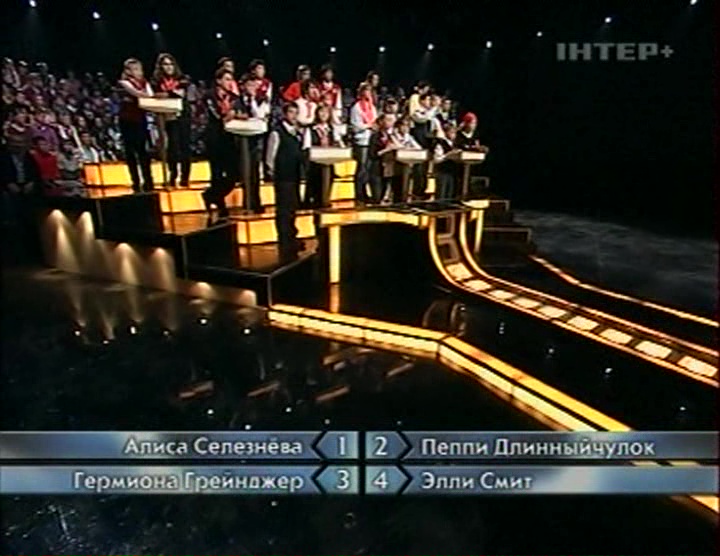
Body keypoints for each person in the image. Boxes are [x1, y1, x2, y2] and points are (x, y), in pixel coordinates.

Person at [265, 102, 304, 256]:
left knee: (293, 206)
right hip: (282, 176)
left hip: (294, 175)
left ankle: (292, 235)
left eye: (296, 113)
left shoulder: (297, 132)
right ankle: (284, 238)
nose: (294, 116)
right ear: (285, 114)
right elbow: (270, 155)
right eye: (291, 112)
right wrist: (272, 172)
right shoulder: (277, 132)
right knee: (283, 209)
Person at [203, 68, 241, 219]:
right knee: (217, 173)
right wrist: (228, 115)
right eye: (226, 79)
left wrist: (236, 114)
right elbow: (216, 115)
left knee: (234, 174)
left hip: (229, 138)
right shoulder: (209, 95)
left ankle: (210, 195)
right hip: (214, 138)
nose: (229, 82)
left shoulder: (234, 97)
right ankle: (220, 204)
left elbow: (242, 112)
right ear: (218, 80)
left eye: (231, 79)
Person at [153, 53, 192, 187]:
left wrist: (166, 94)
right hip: (169, 116)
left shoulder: (182, 79)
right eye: (165, 64)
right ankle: (173, 174)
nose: (169, 67)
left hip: (183, 114)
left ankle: (185, 177)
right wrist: (167, 94)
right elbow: (155, 95)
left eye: (171, 64)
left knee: (185, 145)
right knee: (173, 146)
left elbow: (180, 93)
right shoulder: (157, 81)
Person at [117, 58, 154, 192]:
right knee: (130, 152)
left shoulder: (144, 82)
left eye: (140, 69)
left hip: (140, 120)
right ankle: (135, 181)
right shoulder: (123, 82)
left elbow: (150, 95)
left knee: (143, 151)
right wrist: (143, 94)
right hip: (127, 120)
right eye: (136, 69)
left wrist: (145, 94)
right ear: (128, 71)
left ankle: (148, 181)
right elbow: (136, 93)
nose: (139, 72)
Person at [302, 104, 344, 209]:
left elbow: (339, 143)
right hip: (314, 164)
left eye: (326, 112)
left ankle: (325, 201)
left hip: (328, 161)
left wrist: (340, 147)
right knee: (315, 184)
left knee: (328, 181)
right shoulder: (310, 129)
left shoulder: (331, 129)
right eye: (321, 112)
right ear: (317, 114)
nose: (324, 114)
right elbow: (306, 147)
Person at [236, 74, 266, 214]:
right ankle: (246, 202)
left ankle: (256, 202)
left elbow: (259, 115)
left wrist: (253, 100)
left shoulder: (261, 100)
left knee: (255, 172)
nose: (251, 88)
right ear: (243, 86)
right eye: (249, 85)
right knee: (245, 172)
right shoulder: (237, 101)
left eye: (254, 85)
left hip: (256, 138)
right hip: (241, 139)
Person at [349, 83, 377, 205]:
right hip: (361, 141)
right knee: (361, 168)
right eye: (366, 91)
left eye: (370, 91)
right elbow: (355, 126)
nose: (368, 93)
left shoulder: (372, 107)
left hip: (371, 140)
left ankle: (365, 191)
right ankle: (358, 194)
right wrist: (368, 125)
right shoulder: (356, 107)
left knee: (368, 169)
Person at [409, 93, 437, 199]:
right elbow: (423, 118)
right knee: (418, 170)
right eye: (427, 100)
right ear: (421, 101)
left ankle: (424, 190)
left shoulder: (430, 114)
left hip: (427, 143)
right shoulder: (417, 112)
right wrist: (434, 108)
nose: (429, 102)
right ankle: (417, 192)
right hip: (419, 143)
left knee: (425, 169)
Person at [368, 113, 400, 204]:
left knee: (385, 192)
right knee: (377, 196)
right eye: (388, 120)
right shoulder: (375, 136)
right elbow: (372, 154)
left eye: (393, 120)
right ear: (381, 121)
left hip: (388, 168)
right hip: (377, 168)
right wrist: (386, 149)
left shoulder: (392, 135)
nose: (391, 123)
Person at [433, 123, 461, 200]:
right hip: (442, 171)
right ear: (446, 132)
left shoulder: (455, 144)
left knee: (449, 192)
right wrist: (447, 155)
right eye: (451, 132)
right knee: (441, 192)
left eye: (454, 133)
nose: (453, 135)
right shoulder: (440, 144)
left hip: (451, 171)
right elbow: (436, 159)